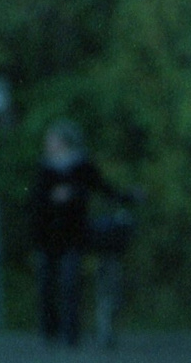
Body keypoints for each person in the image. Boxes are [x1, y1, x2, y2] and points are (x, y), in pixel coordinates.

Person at [27, 120, 136, 346]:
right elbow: (34, 200)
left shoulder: (82, 166)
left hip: (73, 233)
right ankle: (50, 330)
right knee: (46, 284)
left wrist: (128, 196)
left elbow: (103, 188)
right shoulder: (44, 168)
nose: (48, 144)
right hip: (47, 235)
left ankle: (70, 332)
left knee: (70, 283)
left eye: (53, 140)